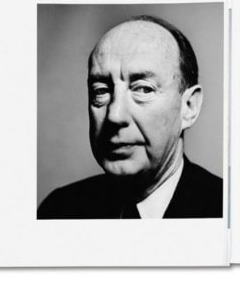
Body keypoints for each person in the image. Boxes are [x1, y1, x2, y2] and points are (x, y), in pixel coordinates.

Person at [38, 15, 222, 219]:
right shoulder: (59, 210)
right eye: (101, 91)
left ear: (189, 106)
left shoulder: (232, 210)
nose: (115, 116)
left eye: (143, 89)